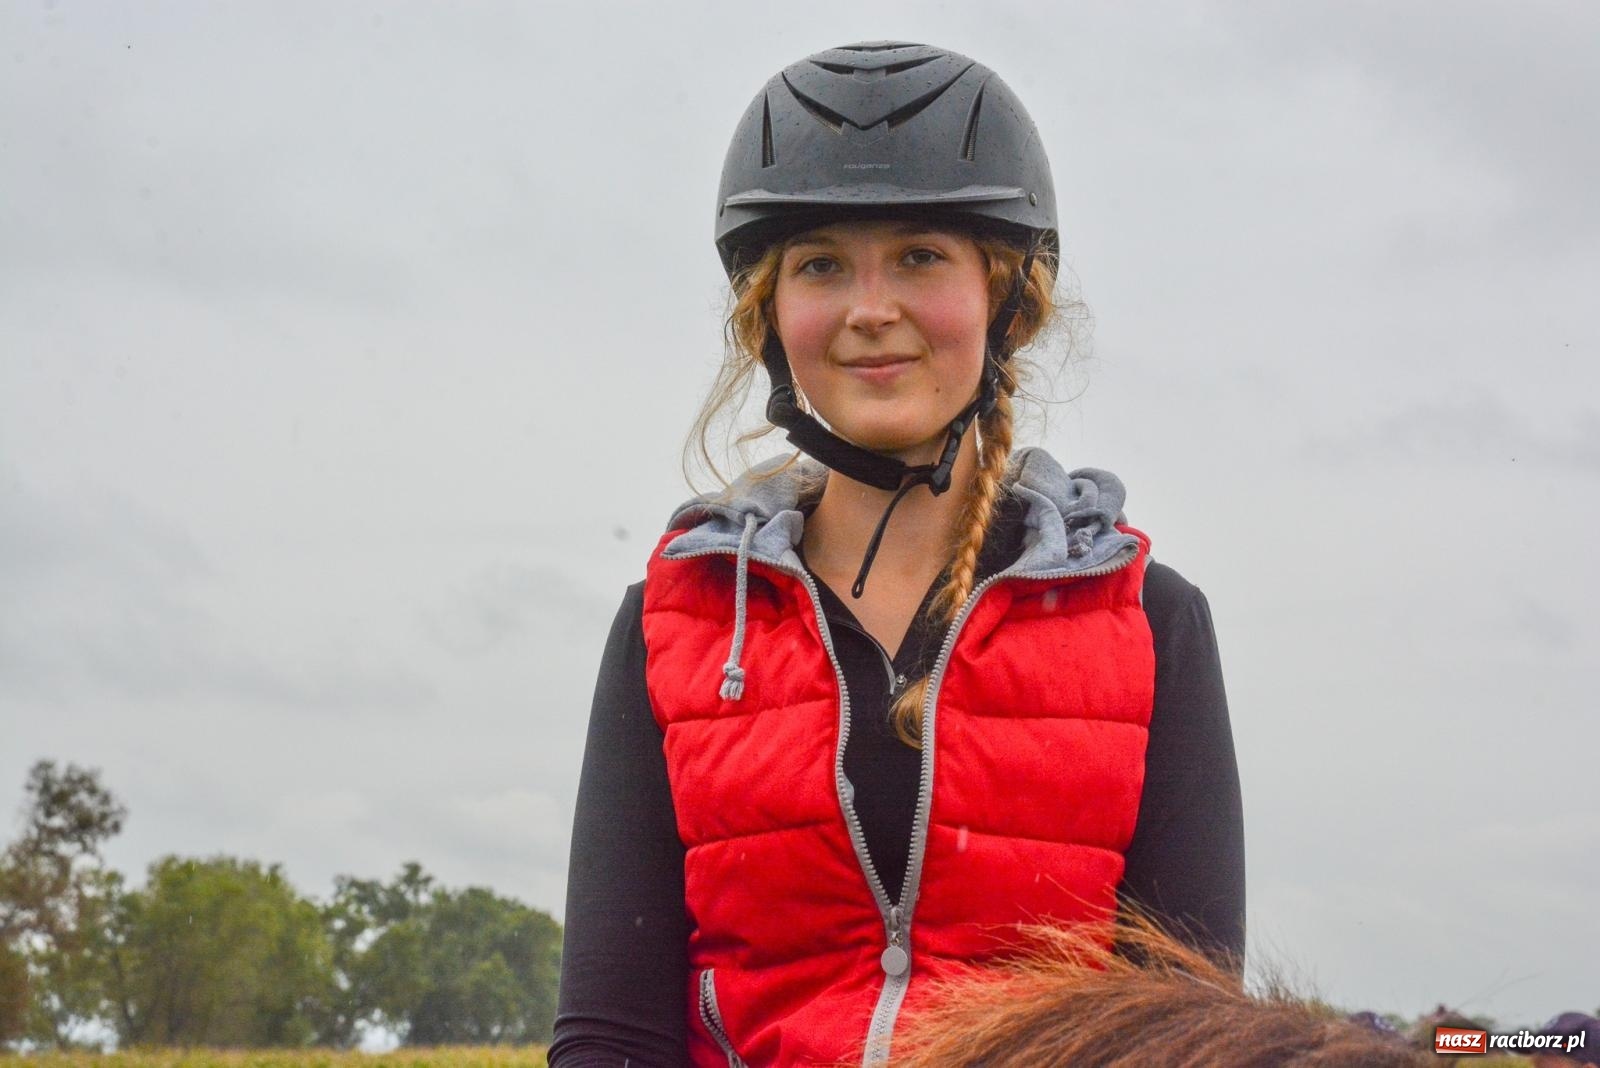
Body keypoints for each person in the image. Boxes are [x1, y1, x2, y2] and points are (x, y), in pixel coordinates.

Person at [549, 40, 1244, 1067]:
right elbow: (612, 1033)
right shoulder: (675, 623)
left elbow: (1188, 1032)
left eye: (920, 256)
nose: (871, 310)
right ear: (769, 317)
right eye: (822, 264)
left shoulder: (1150, 623)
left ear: (1007, 300)